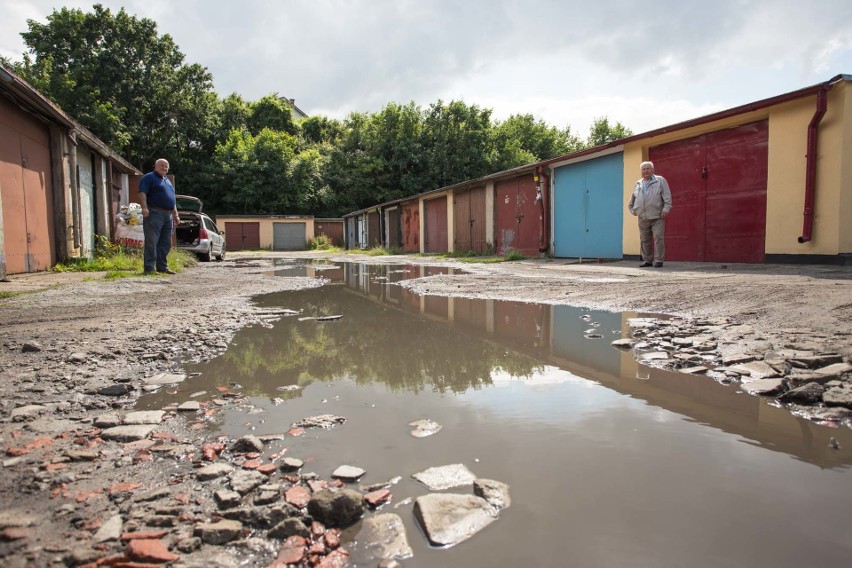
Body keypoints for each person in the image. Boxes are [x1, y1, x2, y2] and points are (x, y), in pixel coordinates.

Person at [138, 158, 179, 274]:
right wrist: (144, 208)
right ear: (155, 166)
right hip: (154, 213)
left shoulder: (167, 181)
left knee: (166, 243)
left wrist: (176, 214)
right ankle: (149, 268)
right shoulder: (149, 177)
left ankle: (162, 267)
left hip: (168, 215)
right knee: (152, 241)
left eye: (166, 166)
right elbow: (142, 193)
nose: (164, 168)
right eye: (162, 165)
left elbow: (173, 199)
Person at [628, 161, 672, 267]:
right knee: (644, 239)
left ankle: (658, 260)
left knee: (658, 238)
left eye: (648, 168)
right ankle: (647, 260)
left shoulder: (660, 180)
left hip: (657, 216)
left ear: (652, 170)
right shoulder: (638, 183)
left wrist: (666, 209)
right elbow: (632, 200)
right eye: (643, 169)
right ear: (641, 171)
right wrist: (633, 210)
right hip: (642, 217)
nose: (645, 171)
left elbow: (667, 196)